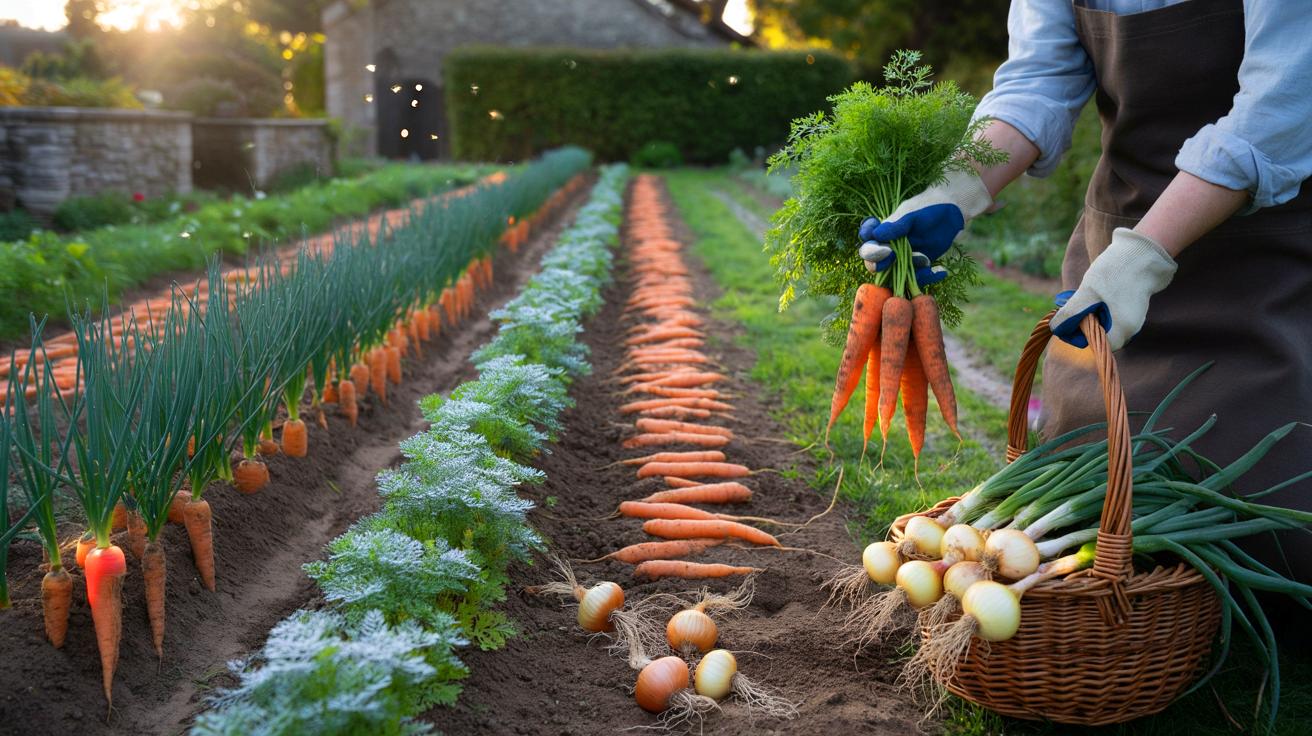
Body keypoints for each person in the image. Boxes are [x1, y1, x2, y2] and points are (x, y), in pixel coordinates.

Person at [859, 0, 1312, 584]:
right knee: (1091, 480)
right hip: (1114, 249)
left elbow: (1281, 106)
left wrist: (1144, 257)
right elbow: (1036, 84)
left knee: (1274, 526)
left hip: (1262, 256)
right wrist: (956, 186)